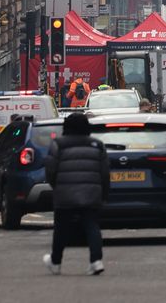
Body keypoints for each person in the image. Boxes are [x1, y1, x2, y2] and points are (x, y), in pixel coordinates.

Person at [42, 112, 109, 276]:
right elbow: (105, 173)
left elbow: (50, 170)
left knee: (61, 229)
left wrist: (56, 186)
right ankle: (96, 261)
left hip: (65, 192)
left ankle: (56, 261)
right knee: (92, 226)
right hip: (91, 192)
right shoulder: (97, 145)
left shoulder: (58, 144)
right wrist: (104, 193)